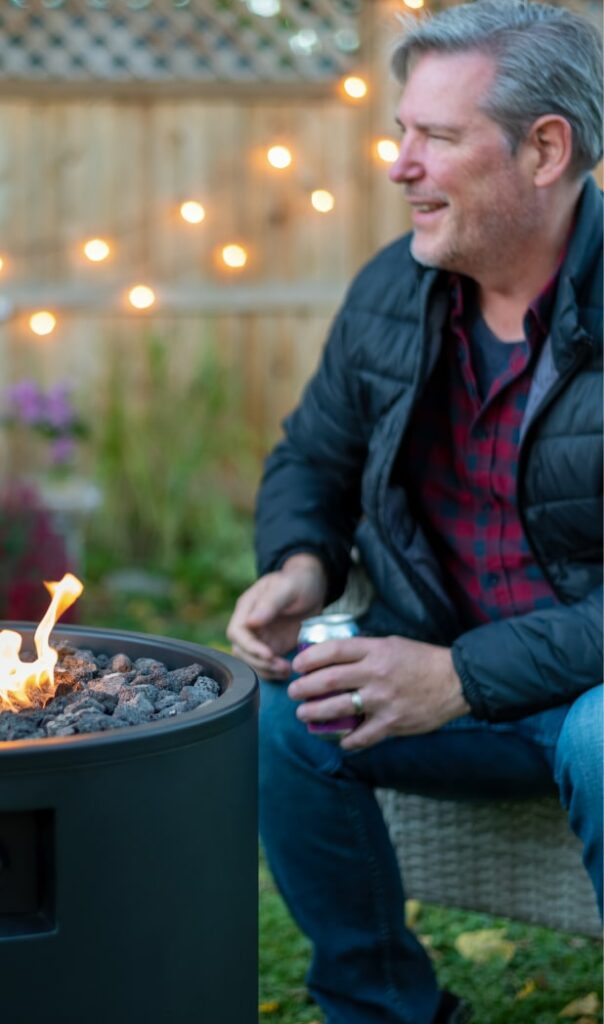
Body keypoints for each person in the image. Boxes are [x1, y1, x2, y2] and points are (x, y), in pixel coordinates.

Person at [227, 2, 603, 1021]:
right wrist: (300, 561)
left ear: (544, 150)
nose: (398, 165)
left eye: (433, 136)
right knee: (289, 710)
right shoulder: (395, 290)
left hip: (587, 696)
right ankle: (381, 1008)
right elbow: (313, 454)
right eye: (401, 132)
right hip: (450, 663)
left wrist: (458, 676)